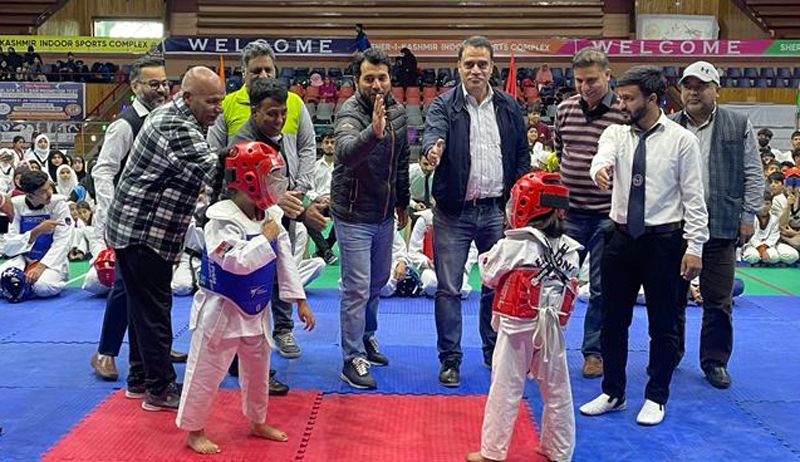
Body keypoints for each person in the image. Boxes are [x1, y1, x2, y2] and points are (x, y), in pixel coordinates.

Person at [580, 66, 708, 426]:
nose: (621, 104)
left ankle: (656, 396)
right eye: (620, 97)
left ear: (653, 99)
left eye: (629, 98)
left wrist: (695, 245)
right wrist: (599, 171)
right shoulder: (615, 133)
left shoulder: (682, 140)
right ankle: (613, 391)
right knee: (612, 320)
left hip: (665, 240)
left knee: (663, 324)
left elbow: (694, 198)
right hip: (620, 238)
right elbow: (600, 159)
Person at [175, 141, 315, 454]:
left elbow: (285, 258)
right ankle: (195, 430)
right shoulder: (220, 219)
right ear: (249, 179)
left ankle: (257, 420)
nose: (276, 185)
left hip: (258, 306)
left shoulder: (271, 214)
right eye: (271, 177)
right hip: (222, 308)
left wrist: (299, 299)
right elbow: (234, 262)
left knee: (258, 370)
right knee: (205, 371)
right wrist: (264, 239)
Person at [105, 66, 224, 412]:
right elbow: (215, 171)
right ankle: (159, 388)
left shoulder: (179, 116)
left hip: (138, 228)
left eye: (221, 101)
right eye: (211, 101)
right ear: (188, 98)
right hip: (143, 230)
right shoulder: (177, 125)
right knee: (155, 309)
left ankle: (139, 378)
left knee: (142, 308)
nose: (218, 108)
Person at [423, 36, 529, 387]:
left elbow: (521, 156)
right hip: (454, 212)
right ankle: (450, 359)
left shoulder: (510, 107)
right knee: (449, 288)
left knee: (495, 285)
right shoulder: (443, 105)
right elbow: (433, 135)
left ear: (492, 67)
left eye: (482, 64)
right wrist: (432, 150)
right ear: (458, 67)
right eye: (469, 63)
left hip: (497, 210)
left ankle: (493, 349)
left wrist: (518, 203)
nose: (475, 70)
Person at [207, 39, 320, 364]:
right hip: (242, 207)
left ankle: (280, 330)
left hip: (284, 196)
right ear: (243, 74)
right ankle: (235, 347)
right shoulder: (230, 109)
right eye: (255, 70)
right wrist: (282, 200)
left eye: (268, 69)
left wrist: (299, 189)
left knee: (281, 263)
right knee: (246, 276)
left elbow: (306, 147)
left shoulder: (292, 104)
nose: (262, 74)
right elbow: (216, 154)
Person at [466, 171, 579, 462]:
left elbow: (489, 275)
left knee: (505, 386)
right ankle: (559, 450)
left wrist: (486, 258)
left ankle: (492, 452)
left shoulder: (514, 244)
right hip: (553, 331)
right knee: (557, 390)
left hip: (517, 330)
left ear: (525, 206)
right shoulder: (572, 249)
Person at [671, 61, 763, 389]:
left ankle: (714, 361)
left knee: (719, 300)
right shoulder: (669, 126)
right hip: (676, 228)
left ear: (717, 90)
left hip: (722, 225)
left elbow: (753, 172)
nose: (693, 91)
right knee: (671, 297)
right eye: (688, 86)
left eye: (701, 86)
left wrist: (748, 216)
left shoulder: (738, 124)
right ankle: (671, 353)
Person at [88, 55, 174, 383]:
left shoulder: (168, 120)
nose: (162, 89)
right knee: (125, 286)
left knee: (158, 285)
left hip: (161, 217)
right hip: (129, 220)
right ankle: (105, 353)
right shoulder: (125, 125)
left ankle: (157, 348)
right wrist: (111, 215)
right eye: (154, 84)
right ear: (135, 86)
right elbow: (103, 170)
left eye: (165, 82)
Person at [332, 47, 409, 389]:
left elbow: (402, 161)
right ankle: (351, 358)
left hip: (383, 213)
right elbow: (346, 154)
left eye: (382, 77)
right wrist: (372, 133)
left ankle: (367, 336)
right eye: (369, 78)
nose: (376, 84)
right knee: (357, 288)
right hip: (352, 214)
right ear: (357, 80)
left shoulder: (400, 113)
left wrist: (403, 202)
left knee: (378, 282)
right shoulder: (349, 112)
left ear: (390, 79)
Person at [553, 47, 626, 379]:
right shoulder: (565, 109)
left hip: (607, 216)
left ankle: (593, 352)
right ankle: (546, 348)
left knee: (601, 288)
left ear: (608, 75)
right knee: (554, 283)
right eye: (579, 81)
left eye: (592, 80)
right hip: (568, 215)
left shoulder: (624, 113)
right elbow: (560, 150)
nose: (585, 87)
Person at [1, 170, 71, 302]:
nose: (49, 193)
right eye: (43, 192)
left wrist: (41, 266)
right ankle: (23, 284)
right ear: (29, 195)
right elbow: (8, 246)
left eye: (49, 187)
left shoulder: (59, 205)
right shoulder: (14, 205)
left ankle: (23, 286)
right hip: (22, 258)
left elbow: (63, 242)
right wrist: (36, 232)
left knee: (43, 287)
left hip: (50, 261)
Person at [407, 208, 476, 299]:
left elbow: (472, 250)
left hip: (456, 270)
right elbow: (413, 251)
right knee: (432, 283)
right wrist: (426, 262)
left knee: (462, 289)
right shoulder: (425, 220)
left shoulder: (464, 219)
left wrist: (460, 266)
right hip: (430, 270)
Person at [306, 131, 337, 264]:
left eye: (332, 142)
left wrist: (334, 199)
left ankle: (324, 249)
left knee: (344, 218)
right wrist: (318, 198)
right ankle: (326, 250)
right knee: (306, 217)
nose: (329, 145)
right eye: (326, 142)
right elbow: (308, 188)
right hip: (318, 203)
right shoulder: (314, 166)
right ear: (322, 145)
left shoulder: (342, 166)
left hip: (336, 203)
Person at [742, 192, 799, 265]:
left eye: (767, 204)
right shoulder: (750, 218)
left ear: (771, 205)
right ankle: (757, 256)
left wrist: (765, 247)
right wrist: (761, 249)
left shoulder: (774, 219)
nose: (764, 206)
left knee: (785, 256)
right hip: (752, 245)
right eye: (761, 203)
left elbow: (774, 236)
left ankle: (765, 257)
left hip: (769, 245)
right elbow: (751, 236)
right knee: (753, 257)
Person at [779, 168, 800, 252]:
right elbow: (781, 224)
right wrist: (788, 206)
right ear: (785, 183)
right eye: (790, 181)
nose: (794, 185)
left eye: (797, 181)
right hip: (783, 234)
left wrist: (796, 233)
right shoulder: (778, 198)